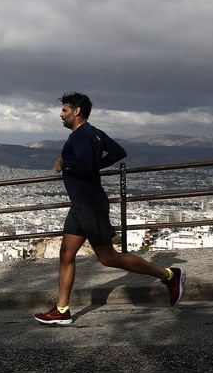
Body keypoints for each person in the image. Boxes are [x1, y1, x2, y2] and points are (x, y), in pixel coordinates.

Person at [34, 92, 185, 325]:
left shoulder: (79, 136)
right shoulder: (95, 133)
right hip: (81, 205)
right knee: (66, 255)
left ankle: (169, 275)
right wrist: (96, 165)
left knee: (108, 258)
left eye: (65, 110)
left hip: (89, 205)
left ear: (76, 112)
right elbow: (118, 153)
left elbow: (83, 165)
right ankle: (62, 309)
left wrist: (64, 164)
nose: (61, 114)